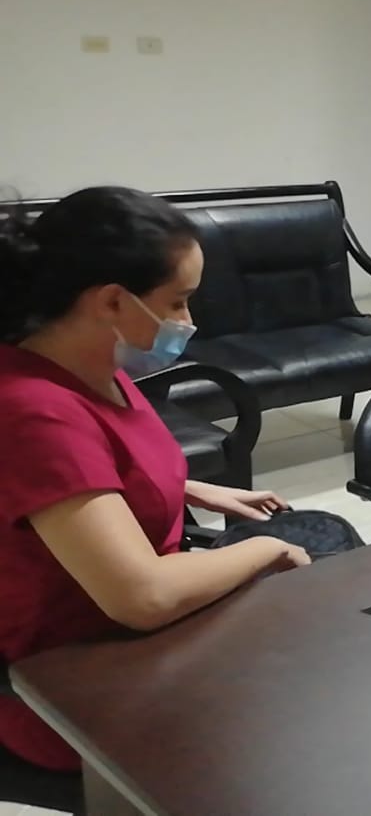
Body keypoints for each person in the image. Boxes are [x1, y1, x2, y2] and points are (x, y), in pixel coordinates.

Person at [0, 187, 314, 805]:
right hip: (75, 685)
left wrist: (193, 487)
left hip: (150, 642)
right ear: (112, 301)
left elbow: (91, 474)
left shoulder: (94, 370)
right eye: (177, 301)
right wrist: (267, 548)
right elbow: (143, 597)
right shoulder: (34, 410)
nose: (187, 321)